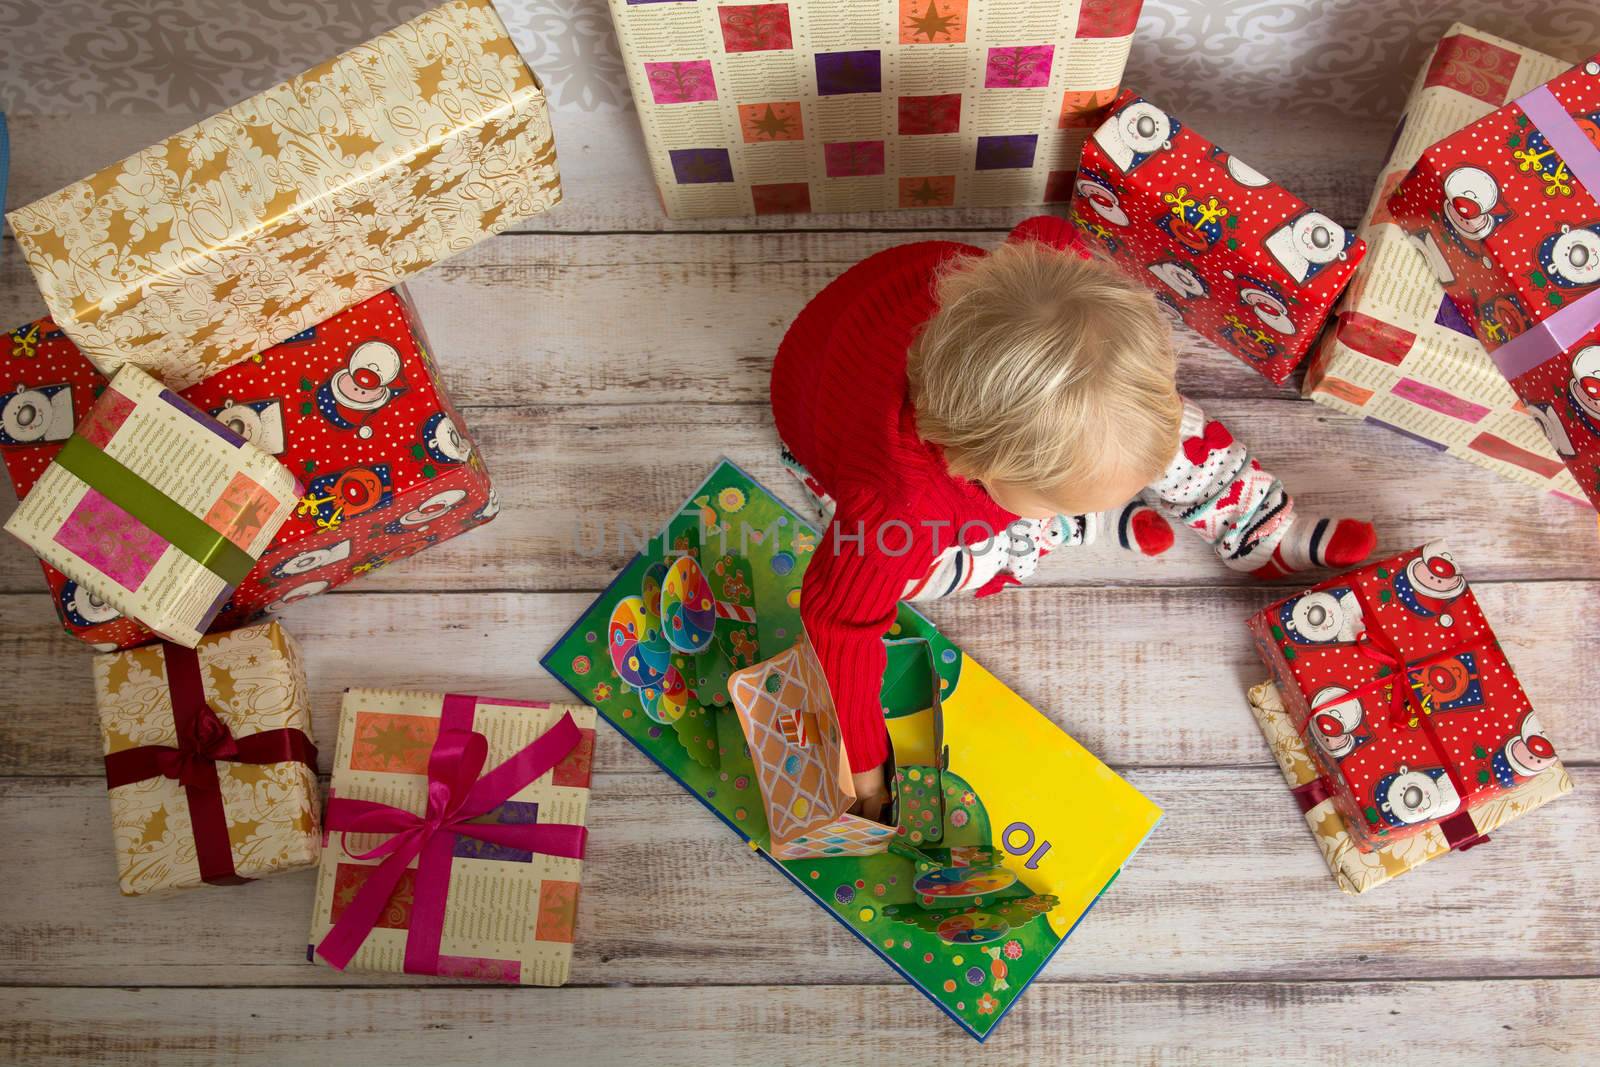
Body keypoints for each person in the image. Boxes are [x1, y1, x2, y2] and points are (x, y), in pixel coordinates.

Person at [770, 215, 1376, 818]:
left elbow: (1047, 234)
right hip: (826, 419)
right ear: (977, 470)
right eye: (1071, 501)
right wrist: (868, 773)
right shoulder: (900, 508)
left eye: (1093, 500)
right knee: (933, 571)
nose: (1125, 492)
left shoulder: (1051, 281)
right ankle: (1063, 528)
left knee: (1135, 422)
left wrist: (1129, 430)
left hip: (965, 319)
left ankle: (1256, 529)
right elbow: (837, 625)